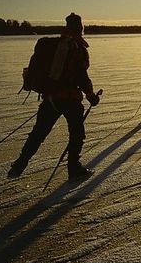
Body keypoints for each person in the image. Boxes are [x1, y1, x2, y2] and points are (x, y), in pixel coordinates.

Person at [8, 13, 100, 181]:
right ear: (80, 28)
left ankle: (18, 166)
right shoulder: (77, 48)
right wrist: (91, 95)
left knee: (38, 134)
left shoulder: (52, 45)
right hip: (70, 98)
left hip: (50, 98)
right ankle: (74, 168)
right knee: (77, 134)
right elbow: (82, 76)